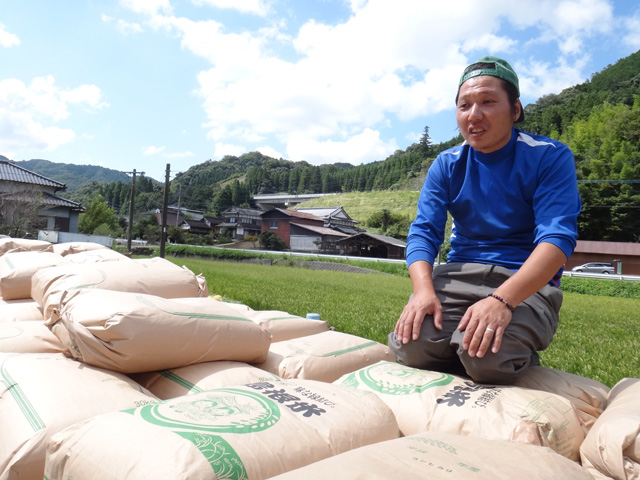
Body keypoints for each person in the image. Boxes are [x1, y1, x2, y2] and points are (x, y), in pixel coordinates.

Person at [388, 56, 582, 385]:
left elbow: (557, 238)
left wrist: (502, 300)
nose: (474, 115)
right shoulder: (446, 164)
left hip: (523, 284)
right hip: (458, 274)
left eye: (488, 102)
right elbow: (423, 233)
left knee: (486, 359)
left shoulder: (549, 156)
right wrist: (423, 291)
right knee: (411, 348)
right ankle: (458, 343)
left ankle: (512, 346)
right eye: (464, 105)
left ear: (515, 110)